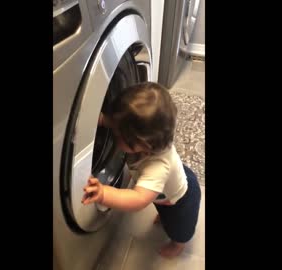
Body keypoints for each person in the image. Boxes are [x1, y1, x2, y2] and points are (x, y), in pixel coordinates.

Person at [81, 82, 201, 258]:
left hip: (180, 200)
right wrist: (100, 119)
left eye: (117, 135)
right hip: (169, 184)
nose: (114, 137)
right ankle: (165, 216)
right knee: (162, 208)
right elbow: (120, 123)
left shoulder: (158, 167)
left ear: (142, 145)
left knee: (179, 227)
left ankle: (179, 245)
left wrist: (104, 194)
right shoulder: (153, 135)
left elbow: (138, 199)